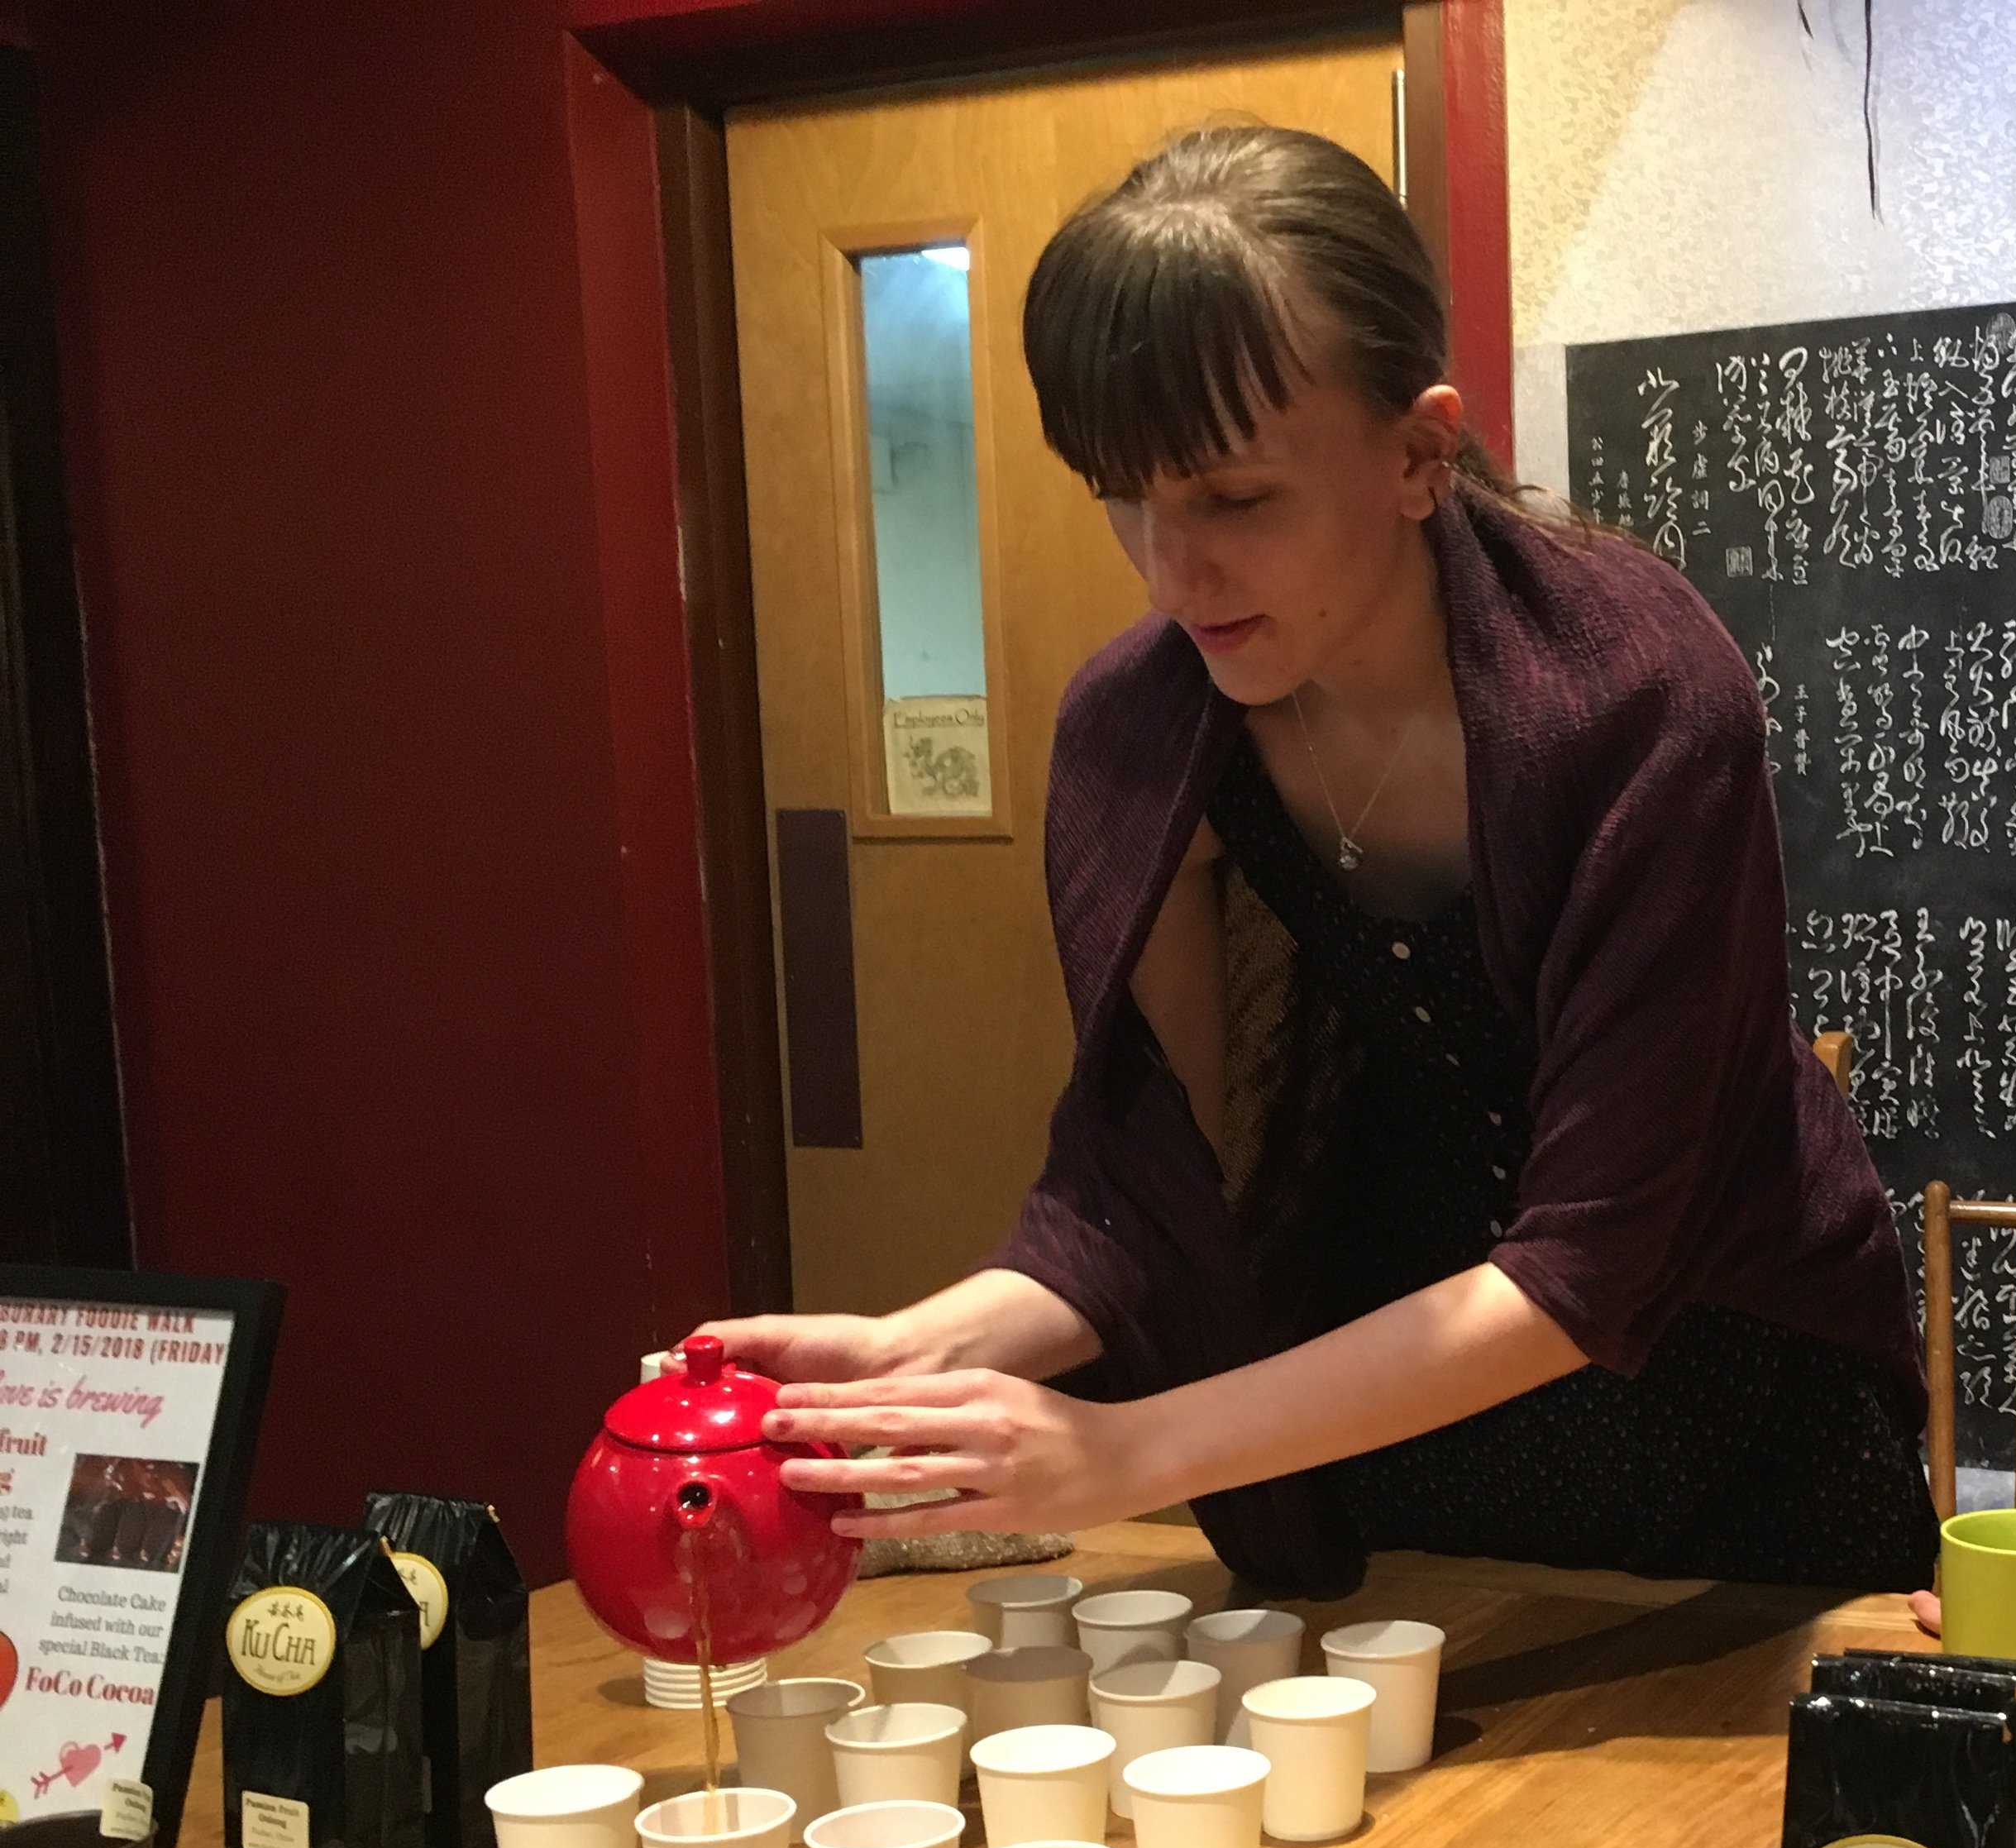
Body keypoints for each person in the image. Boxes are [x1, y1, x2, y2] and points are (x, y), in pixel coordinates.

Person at [705, 124, 1936, 1598]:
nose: (1171, 570)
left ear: (1419, 450)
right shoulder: (1145, 728)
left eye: (1232, 500)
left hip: (1730, 1400)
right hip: (1390, 1393)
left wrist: (1126, 1453)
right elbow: (1144, 1184)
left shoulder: (1636, 694)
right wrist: (925, 1351)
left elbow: (1591, 1266)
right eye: (1121, 492)